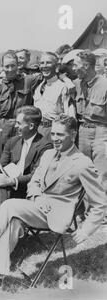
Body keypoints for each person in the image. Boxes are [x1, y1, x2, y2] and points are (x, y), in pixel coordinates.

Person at [0, 114, 107, 291]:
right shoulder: (48, 154)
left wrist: (86, 231)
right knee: (13, 222)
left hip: (58, 215)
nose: (54, 138)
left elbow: (100, 202)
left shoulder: (82, 163)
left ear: (73, 134)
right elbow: (35, 182)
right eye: (53, 134)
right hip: (37, 206)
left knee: (10, 205)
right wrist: (37, 198)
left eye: (60, 135)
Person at [0, 106, 52, 224]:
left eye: (19, 123)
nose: (15, 126)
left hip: (27, 189)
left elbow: (35, 176)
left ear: (31, 126)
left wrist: (11, 181)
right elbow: (1, 165)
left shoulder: (45, 146)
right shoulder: (13, 141)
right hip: (7, 185)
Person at [0, 50, 40, 147]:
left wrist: (64, 77)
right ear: (2, 67)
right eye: (7, 66)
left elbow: (47, 75)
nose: (10, 69)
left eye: (13, 65)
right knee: (1, 160)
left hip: (22, 129)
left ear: (18, 66)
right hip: (2, 132)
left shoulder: (28, 81)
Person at [73, 50, 107, 201]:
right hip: (82, 132)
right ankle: (87, 212)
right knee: (85, 172)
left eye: (76, 65)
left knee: (102, 174)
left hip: (101, 132)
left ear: (86, 66)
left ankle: (102, 217)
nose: (73, 68)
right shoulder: (77, 84)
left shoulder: (105, 84)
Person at [33, 52, 76, 139]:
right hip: (38, 129)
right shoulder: (38, 87)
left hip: (54, 131)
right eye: (42, 63)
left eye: (48, 62)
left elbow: (70, 115)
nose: (44, 66)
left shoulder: (63, 87)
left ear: (56, 67)